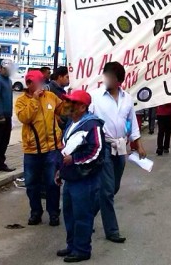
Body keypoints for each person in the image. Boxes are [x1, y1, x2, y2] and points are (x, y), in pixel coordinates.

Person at [90, 62, 146, 244]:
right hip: (102, 146)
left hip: (120, 146)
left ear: (119, 80)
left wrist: (137, 143)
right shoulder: (95, 96)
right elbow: (86, 120)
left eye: (112, 77)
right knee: (106, 190)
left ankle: (86, 215)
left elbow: (132, 123)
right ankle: (112, 230)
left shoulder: (127, 99)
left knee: (113, 188)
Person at [56, 90, 105, 263]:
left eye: (73, 102)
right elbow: (66, 149)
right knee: (69, 215)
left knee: (82, 215)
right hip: (72, 178)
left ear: (83, 107)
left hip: (85, 180)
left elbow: (96, 151)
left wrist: (74, 159)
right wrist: (60, 171)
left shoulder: (92, 125)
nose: (68, 105)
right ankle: (72, 246)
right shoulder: (72, 123)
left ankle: (82, 249)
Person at [15, 70, 64, 226]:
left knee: (52, 183)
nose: (42, 85)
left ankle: (54, 213)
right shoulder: (21, 101)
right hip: (32, 150)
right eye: (38, 82)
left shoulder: (51, 97)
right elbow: (25, 117)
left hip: (52, 149)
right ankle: (35, 212)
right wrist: (35, 99)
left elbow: (64, 110)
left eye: (43, 81)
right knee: (32, 184)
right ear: (29, 84)